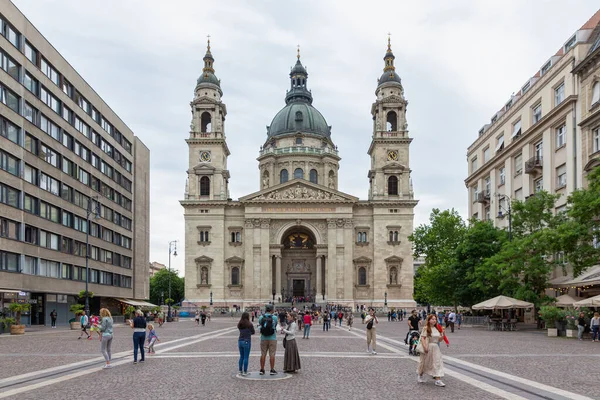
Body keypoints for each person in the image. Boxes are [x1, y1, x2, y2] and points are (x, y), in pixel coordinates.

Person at [417, 314, 446, 387]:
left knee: (437, 362)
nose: (434, 320)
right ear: (429, 320)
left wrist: (443, 335)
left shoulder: (436, 328)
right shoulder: (426, 328)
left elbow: (439, 340)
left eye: (435, 319)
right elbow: (423, 338)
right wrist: (425, 347)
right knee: (425, 362)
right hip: (428, 347)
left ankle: (438, 380)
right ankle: (420, 375)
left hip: (436, 347)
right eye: (432, 319)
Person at [258, 304, 279, 375]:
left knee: (263, 354)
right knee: (272, 354)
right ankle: (272, 369)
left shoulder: (261, 317)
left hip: (263, 337)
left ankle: (262, 369)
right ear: (271, 310)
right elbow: (275, 325)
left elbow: (260, 324)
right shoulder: (275, 317)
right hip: (272, 338)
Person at [237, 312, 255, 376]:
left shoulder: (240, 324)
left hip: (240, 341)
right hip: (247, 341)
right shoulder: (249, 324)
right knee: (246, 357)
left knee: (241, 356)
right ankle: (245, 371)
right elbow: (253, 332)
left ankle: (240, 370)